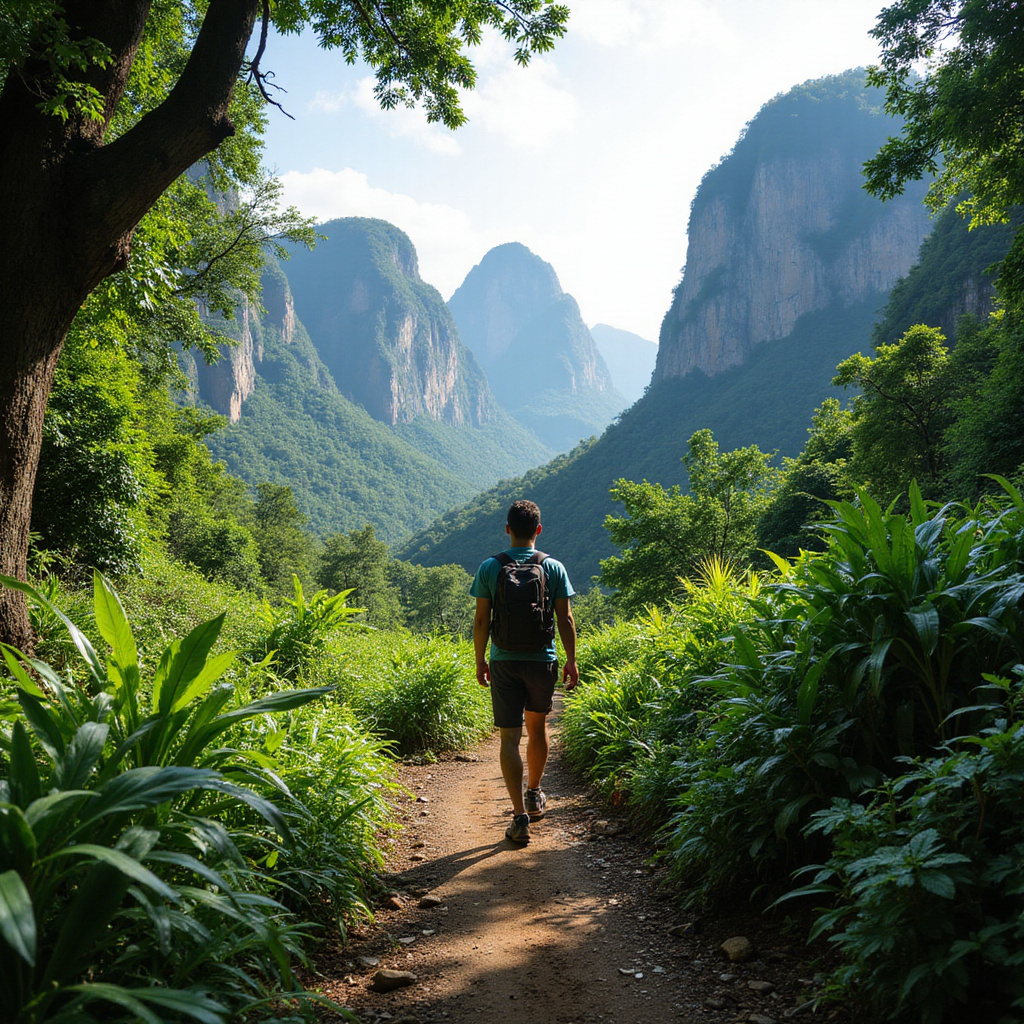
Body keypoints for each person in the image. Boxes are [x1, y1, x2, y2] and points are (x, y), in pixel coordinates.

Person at [471, 499, 579, 844]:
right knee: (537, 728)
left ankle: (518, 817)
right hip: (542, 660)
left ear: (507, 529)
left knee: (508, 738)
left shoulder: (490, 568)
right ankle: (534, 793)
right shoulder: (554, 567)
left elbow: (481, 620)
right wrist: (571, 660)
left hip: (503, 660)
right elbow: (566, 619)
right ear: (538, 529)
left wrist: (480, 660)